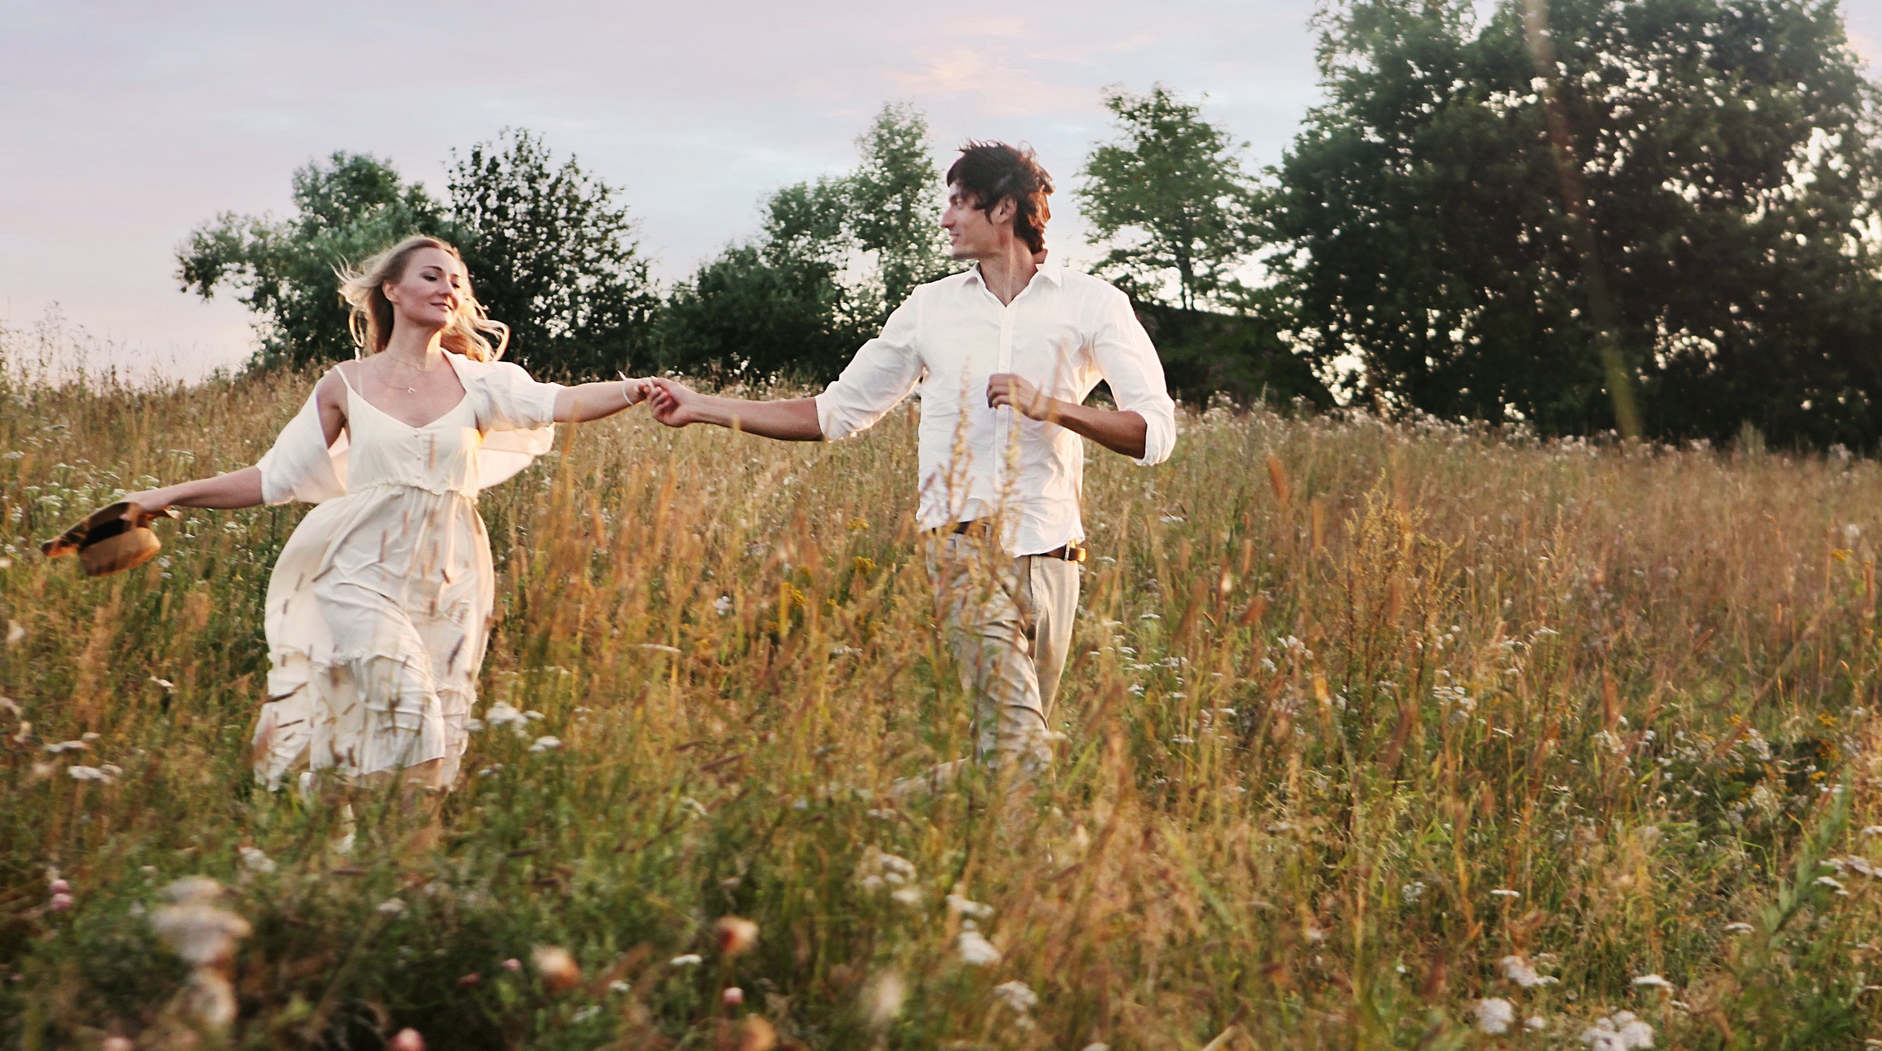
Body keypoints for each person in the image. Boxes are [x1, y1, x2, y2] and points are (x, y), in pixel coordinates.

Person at [649, 141, 1176, 778]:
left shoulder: (1093, 304)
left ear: (1004, 208)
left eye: (959, 202)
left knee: (1003, 763)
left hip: (1053, 558)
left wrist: (1054, 408)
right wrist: (702, 404)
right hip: (963, 553)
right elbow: (833, 413)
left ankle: (875, 817)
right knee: (1022, 757)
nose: (947, 218)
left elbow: (1154, 434)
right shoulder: (929, 308)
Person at [125, 235, 657, 789]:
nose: (447, 289)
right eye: (431, 276)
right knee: (413, 716)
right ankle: (380, 850)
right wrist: (164, 496)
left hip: (448, 579)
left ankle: (376, 849)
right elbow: (273, 477)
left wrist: (636, 390)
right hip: (358, 571)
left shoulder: (480, 384)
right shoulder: (344, 383)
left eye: (456, 281)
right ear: (392, 290)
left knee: (433, 745)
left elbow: (562, 401)